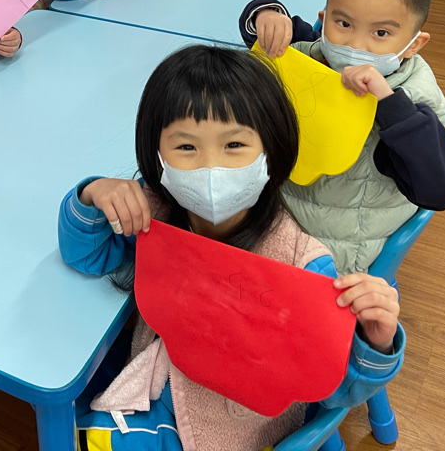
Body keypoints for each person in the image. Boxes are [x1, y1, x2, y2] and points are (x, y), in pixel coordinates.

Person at [60, 45, 405, 451]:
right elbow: (86, 255)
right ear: (156, 155)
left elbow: (333, 390)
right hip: (159, 388)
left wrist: (376, 342)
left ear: (272, 149)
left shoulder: (301, 264)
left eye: (235, 146)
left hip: (237, 425)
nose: (211, 167)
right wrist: (92, 194)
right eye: (186, 147)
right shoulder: (153, 211)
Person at [238, 0, 445, 273]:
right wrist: (266, 13)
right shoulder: (317, 53)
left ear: (414, 45)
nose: (356, 46)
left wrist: (386, 102)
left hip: (336, 248)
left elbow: (444, 189)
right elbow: (269, 40)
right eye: (344, 23)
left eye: (381, 33)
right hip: (274, 212)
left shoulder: (415, 102)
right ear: (324, 20)